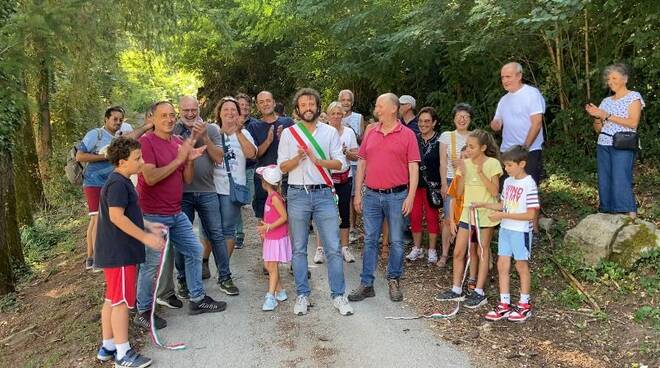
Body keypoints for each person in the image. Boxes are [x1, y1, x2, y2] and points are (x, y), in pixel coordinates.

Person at [134, 101, 226, 330]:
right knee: (152, 264)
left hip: (175, 212)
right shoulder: (145, 143)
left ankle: (197, 300)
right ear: (152, 118)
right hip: (153, 214)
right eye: (163, 115)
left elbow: (186, 178)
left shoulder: (177, 142)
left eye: (171, 115)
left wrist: (189, 161)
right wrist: (178, 160)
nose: (169, 119)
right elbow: (152, 177)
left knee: (195, 251)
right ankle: (143, 310)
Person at [278, 88, 354, 316]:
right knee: (299, 248)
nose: (308, 108)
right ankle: (302, 294)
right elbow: (282, 167)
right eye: (304, 104)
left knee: (332, 247)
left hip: (323, 194)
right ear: (297, 109)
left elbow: (341, 164)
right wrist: (297, 158)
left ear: (318, 107)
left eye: (312, 103)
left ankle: (339, 295)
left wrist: (317, 160)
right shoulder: (289, 134)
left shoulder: (330, 132)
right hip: (297, 193)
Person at [94, 137, 165, 367]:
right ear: (122, 162)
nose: (142, 162)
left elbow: (127, 213)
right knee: (123, 302)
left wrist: (147, 225)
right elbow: (116, 217)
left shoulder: (121, 181)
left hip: (113, 252)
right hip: (120, 253)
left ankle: (108, 346)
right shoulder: (117, 183)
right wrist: (145, 238)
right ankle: (123, 354)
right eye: (137, 159)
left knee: (112, 299)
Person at [349, 93, 420, 303]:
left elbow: (413, 167)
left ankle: (394, 279)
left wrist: (411, 196)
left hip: (397, 196)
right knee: (370, 240)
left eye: (380, 106)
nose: (376, 109)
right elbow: (361, 163)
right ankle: (366, 283)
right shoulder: (371, 132)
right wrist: (358, 193)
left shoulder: (407, 134)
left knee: (397, 241)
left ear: (392, 108)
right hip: (371, 195)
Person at [173, 96, 239, 299]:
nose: (191, 114)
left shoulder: (210, 129)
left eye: (194, 109)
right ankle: (183, 280)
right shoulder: (173, 131)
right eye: (186, 110)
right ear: (180, 110)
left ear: (199, 108)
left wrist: (205, 137)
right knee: (181, 239)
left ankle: (225, 277)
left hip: (208, 190)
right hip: (181, 192)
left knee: (216, 234)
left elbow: (219, 157)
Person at [76, 106, 153, 270]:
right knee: (96, 218)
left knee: (105, 218)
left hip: (111, 180)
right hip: (94, 181)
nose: (117, 122)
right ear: (106, 119)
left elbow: (132, 140)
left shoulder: (119, 137)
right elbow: (79, 156)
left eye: (120, 120)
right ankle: (94, 257)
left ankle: (99, 255)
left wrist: (147, 126)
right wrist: (103, 156)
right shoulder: (95, 134)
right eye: (114, 119)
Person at [436, 130, 502, 309]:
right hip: (466, 214)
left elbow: (495, 192)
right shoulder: (464, 164)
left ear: (483, 148)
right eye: (468, 146)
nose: (469, 150)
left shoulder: (492, 164)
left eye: (473, 147)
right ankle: (456, 289)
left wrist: (480, 173)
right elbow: (458, 194)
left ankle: (479, 291)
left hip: (485, 215)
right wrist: (464, 173)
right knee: (458, 252)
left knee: (482, 251)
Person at [475, 145, 539, 322]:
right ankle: (504, 304)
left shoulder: (529, 184)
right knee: (502, 264)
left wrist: (503, 215)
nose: (506, 169)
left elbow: (531, 215)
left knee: (520, 265)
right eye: (505, 165)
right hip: (505, 229)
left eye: (510, 165)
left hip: (520, 231)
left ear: (522, 164)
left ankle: (524, 305)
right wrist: (484, 204)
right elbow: (503, 204)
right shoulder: (508, 181)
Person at [585, 63, 644, 219]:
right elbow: (598, 129)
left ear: (625, 78)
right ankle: (607, 210)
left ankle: (630, 214)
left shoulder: (634, 97)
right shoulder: (606, 101)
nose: (610, 81)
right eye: (609, 78)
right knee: (605, 178)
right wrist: (597, 116)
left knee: (620, 177)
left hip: (623, 143)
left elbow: (633, 123)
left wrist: (607, 115)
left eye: (614, 78)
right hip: (603, 143)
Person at [313, 102, 359, 264]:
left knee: (344, 212)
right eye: (333, 113)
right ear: (328, 115)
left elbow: (356, 155)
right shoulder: (321, 132)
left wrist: (346, 152)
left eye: (340, 113)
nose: (336, 116)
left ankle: (345, 248)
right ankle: (320, 249)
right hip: (325, 179)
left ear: (343, 115)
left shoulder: (349, 132)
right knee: (322, 214)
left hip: (345, 177)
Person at [213, 97, 257, 259]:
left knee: (228, 228)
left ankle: (223, 268)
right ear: (219, 113)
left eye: (234, 110)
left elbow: (252, 154)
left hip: (232, 188)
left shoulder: (244, 133)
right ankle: (205, 260)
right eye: (226, 109)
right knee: (208, 228)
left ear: (239, 114)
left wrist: (238, 132)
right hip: (210, 188)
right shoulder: (212, 131)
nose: (230, 113)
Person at [490, 62, 545, 186]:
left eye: (508, 77)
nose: (504, 80)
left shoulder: (532, 94)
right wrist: (495, 125)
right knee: (509, 192)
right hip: (507, 152)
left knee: (527, 191)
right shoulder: (503, 100)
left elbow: (537, 123)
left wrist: (524, 148)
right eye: (502, 77)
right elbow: (497, 122)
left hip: (529, 151)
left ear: (519, 76)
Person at [248, 91, 295, 219]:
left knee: (289, 218)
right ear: (257, 106)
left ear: (274, 103)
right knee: (265, 219)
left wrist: (282, 139)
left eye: (268, 101)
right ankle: (267, 241)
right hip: (263, 180)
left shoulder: (288, 122)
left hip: (286, 179)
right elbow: (254, 155)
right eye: (261, 102)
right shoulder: (253, 126)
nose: (265, 104)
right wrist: (268, 141)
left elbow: (297, 150)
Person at [438, 103, 473, 267]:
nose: (462, 119)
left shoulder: (475, 137)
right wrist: (443, 183)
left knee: (468, 219)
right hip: (451, 180)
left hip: (471, 183)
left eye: (466, 116)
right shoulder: (446, 136)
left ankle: (466, 254)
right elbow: (442, 162)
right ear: (454, 119)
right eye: (459, 116)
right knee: (448, 218)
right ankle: (445, 254)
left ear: (470, 119)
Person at [406, 107, 441, 264]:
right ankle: (417, 247)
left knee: (432, 217)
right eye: (420, 121)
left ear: (434, 122)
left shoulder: (440, 141)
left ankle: (432, 250)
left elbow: (443, 165)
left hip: (432, 186)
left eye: (427, 121)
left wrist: (443, 185)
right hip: (415, 184)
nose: (423, 124)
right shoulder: (413, 139)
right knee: (415, 216)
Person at [255, 165, 292, 311]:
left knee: (271, 266)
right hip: (271, 236)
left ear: (265, 183)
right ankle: (280, 291)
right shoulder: (271, 197)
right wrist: (265, 230)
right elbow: (269, 216)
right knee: (269, 265)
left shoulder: (275, 198)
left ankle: (271, 296)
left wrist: (268, 227)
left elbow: (284, 217)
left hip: (276, 237)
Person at [446, 146, 478, 292]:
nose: (464, 161)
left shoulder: (477, 178)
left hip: (474, 219)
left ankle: (473, 278)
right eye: (462, 158)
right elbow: (453, 198)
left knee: (473, 250)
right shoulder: (458, 177)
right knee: (459, 251)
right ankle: (456, 286)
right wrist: (452, 221)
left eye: (468, 158)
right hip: (460, 219)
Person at [235, 93, 259, 248]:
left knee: (252, 202)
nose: (243, 107)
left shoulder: (255, 124)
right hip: (235, 171)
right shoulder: (228, 123)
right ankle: (238, 235)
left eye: (246, 105)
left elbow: (258, 148)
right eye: (240, 105)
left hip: (251, 168)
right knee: (236, 203)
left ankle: (261, 233)